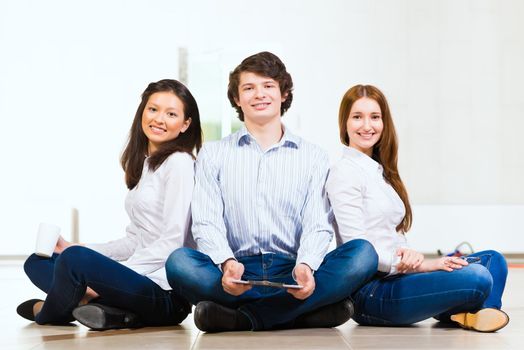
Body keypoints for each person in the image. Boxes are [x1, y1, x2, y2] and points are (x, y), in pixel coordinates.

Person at [165, 52, 378, 333]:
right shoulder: (213, 154)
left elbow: (317, 223)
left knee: (363, 254)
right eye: (248, 88)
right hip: (235, 273)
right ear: (237, 99)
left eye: (268, 86)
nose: (259, 94)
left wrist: (306, 266)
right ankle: (299, 313)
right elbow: (206, 221)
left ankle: (246, 317)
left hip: (292, 271)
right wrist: (227, 263)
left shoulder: (313, 156)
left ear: (284, 93)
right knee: (179, 262)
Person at [17, 79, 203, 330]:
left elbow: (173, 242)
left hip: (163, 293)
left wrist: (109, 274)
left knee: (74, 261)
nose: (159, 119)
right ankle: (110, 310)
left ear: (185, 124)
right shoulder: (146, 166)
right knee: (38, 261)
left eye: (171, 114)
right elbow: (133, 241)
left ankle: (48, 311)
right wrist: (78, 247)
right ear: (142, 113)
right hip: (135, 281)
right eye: (153, 109)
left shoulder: (179, 163)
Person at [326, 84, 509, 332]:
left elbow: (393, 235)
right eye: (357, 117)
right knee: (478, 277)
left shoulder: (381, 172)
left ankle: (468, 316)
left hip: (401, 278)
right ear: (344, 123)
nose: (367, 126)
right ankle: (475, 310)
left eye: (375, 117)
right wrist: (423, 265)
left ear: (384, 122)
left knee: (493, 261)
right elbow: (357, 252)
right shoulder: (345, 173)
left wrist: (410, 255)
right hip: (371, 293)